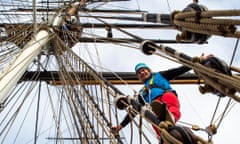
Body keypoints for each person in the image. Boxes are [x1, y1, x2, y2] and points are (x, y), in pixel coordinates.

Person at [111, 62, 192, 142]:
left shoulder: (160, 75)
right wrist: (121, 126)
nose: (142, 73)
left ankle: (171, 117)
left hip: (165, 96)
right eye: (139, 73)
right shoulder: (141, 93)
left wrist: (194, 63)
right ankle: (163, 139)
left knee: (170, 105)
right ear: (138, 77)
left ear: (149, 71)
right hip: (154, 108)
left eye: (143, 70)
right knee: (154, 122)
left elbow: (178, 70)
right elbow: (134, 111)